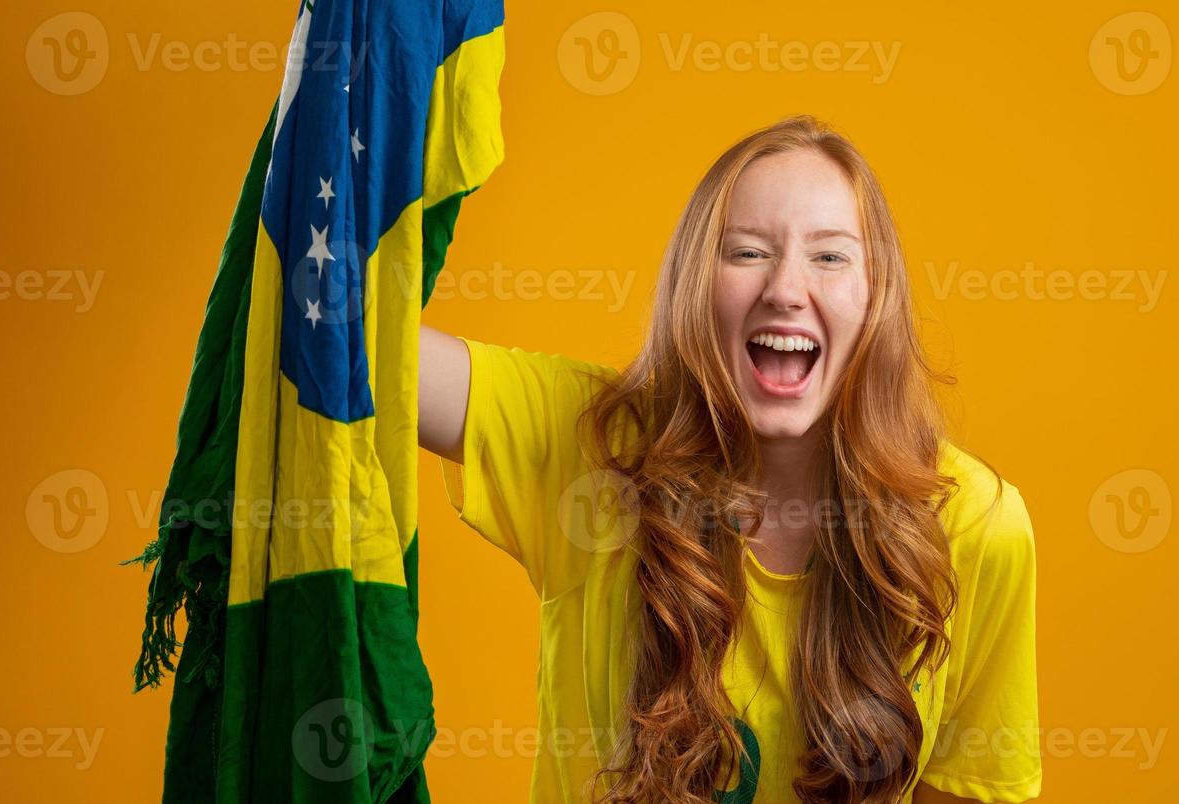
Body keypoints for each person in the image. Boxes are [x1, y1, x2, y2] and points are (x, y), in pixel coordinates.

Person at [417, 115, 1042, 804]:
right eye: (746, 252)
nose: (784, 288)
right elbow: (363, 350)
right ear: (694, 285)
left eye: (830, 257)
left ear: (876, 300)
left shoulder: (977, 524)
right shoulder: (592, 449)